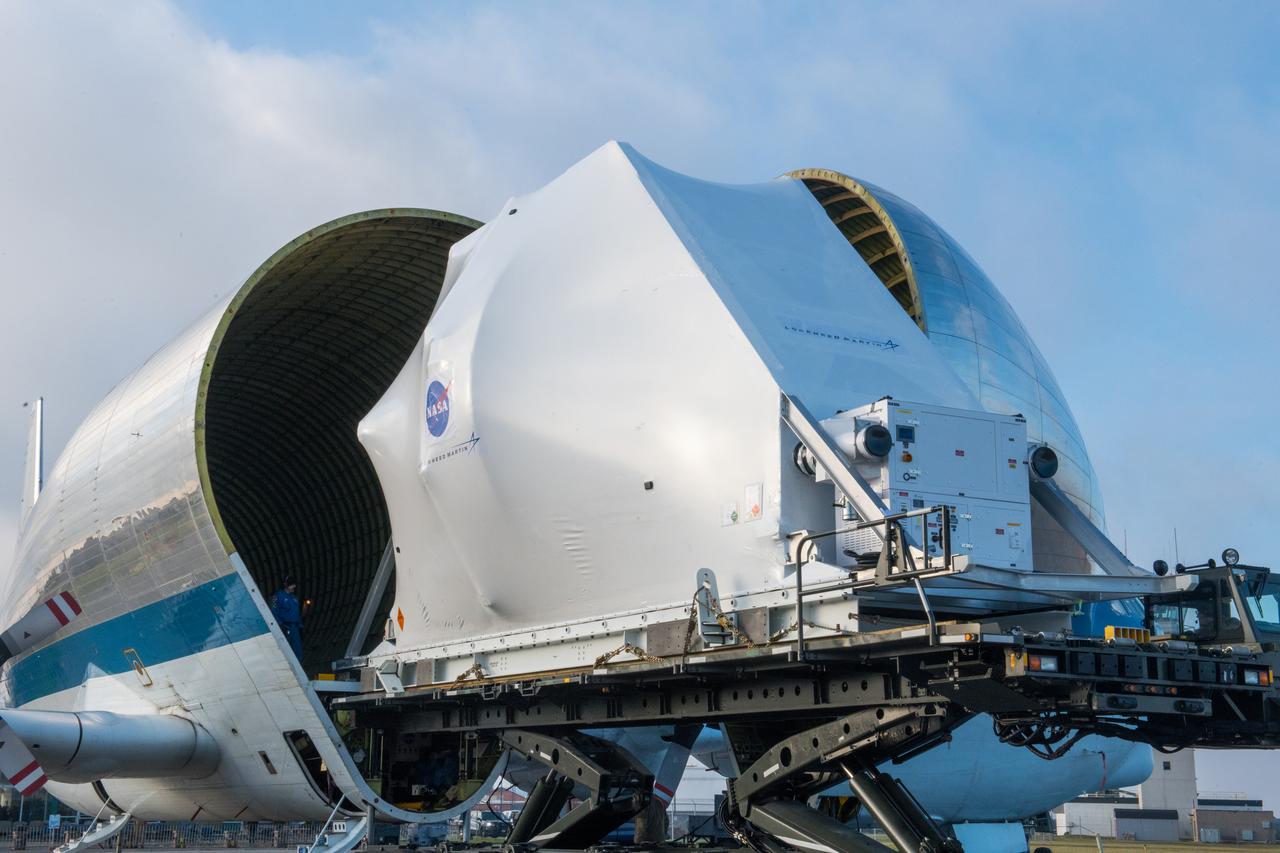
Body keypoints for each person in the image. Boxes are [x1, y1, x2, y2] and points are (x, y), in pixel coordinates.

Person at [270, 576, 304, 659]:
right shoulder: (278, 596)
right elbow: (274, 611)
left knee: (298, 650)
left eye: (294, 585)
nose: (293, 587)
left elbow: (297, 613)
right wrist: (280, 624)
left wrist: (300, 626)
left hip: (294, 627)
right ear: (286, 585)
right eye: (291, 585)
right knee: (286, 649)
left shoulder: (294, 598)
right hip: (285, 626)